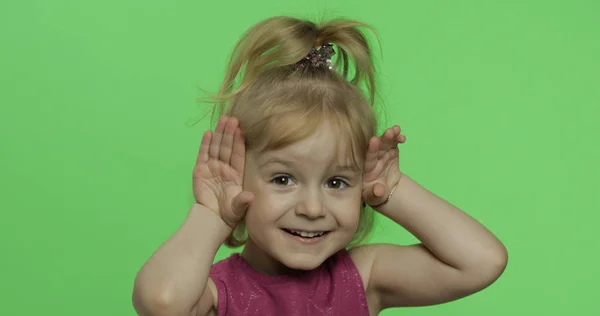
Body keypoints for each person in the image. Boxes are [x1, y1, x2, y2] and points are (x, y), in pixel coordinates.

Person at [132, 16, 508, 316]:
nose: (312, 209)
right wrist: (212, 214)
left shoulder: (363, 277)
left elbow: (481, 261)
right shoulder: (214, 294)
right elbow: (162, 304)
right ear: (238, 176)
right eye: (283, 179)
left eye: (337, 183)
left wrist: (390, 189)